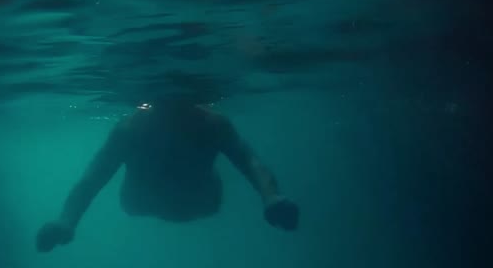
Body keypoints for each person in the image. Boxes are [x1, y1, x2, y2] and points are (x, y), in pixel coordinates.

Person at [36, 99, 299, 252]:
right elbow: (92, 179)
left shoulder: (210, 125)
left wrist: (272, 197)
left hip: (165, 203)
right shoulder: (132, 130)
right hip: (187, 203)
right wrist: (66, 221)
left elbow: (250, 162)